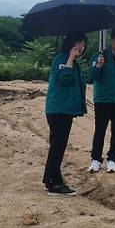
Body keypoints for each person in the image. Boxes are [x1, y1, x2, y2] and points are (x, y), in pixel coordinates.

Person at [43, 32, 88, 196]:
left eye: (83, 44)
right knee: (58, 147)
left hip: (64, 109)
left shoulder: (72, 61)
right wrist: (70, 58)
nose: (81, 47)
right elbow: (64, 79)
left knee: (57, 146)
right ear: (70, 43)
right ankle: (54, 185)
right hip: (58, 110)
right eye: (78, 43)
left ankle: (49, 179)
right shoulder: (62, 59)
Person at [88, 27, 115, 173]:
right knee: (100, 130)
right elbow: (92, 76)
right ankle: (96, 159)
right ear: (112, 40)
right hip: (103, 99)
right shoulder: (100, 55)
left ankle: (112, 159)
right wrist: (99, 65)